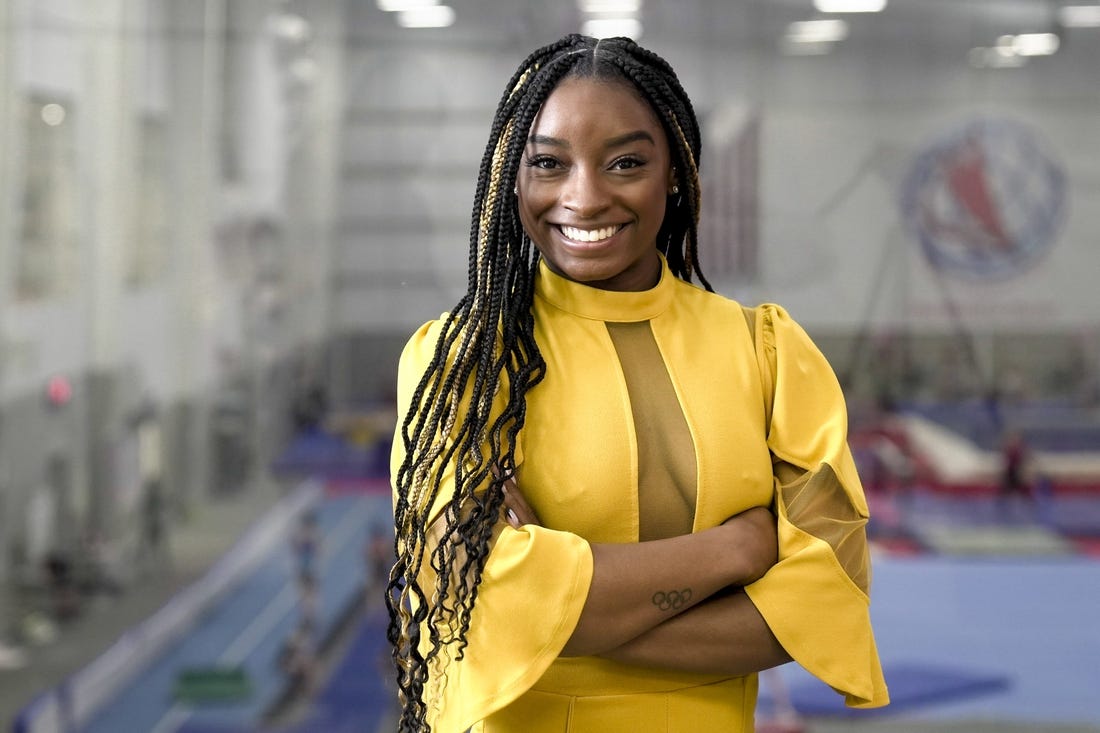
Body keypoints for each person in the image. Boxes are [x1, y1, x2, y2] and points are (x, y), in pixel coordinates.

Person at [387, 34, 889, 733]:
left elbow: (825, 601)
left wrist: (561, 614)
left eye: (625, 162)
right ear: (515, 178)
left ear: (675, 173)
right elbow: (472, 599)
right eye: (549, 164)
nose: (584, 197)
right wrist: (733, 551)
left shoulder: (768, 355)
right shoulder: (465, 363)